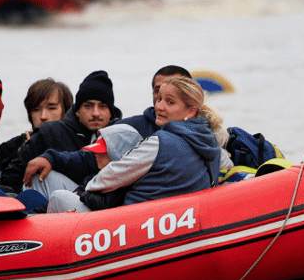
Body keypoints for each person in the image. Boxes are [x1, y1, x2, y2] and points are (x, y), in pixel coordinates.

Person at [36, 76, 222, 213]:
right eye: (159, 99)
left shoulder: (160, 142)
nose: (159, 106)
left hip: (131, 223)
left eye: (170, 102)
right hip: (177, 220)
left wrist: (83, 190)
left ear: (191, 110)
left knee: (58, 196)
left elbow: (112, 175)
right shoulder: (212, 144)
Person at [18, 70, 120, 171]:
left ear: (111, 111)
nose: (95, 113)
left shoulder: (124, 138)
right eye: (88, 106)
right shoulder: (48, 133)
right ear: (77, 110)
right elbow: (13, 174)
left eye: (102, 106)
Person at [0, 78, 73, 193]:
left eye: (51, 108)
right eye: (36, 109)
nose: (43, 116)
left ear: (66, 111)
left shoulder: (76, 147)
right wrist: (20, 156)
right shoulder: (10, 148)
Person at [119, 65, 192, 137]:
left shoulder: (200, 131)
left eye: (174, 90)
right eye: (158, 91)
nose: (164, 96)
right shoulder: (125, 129)